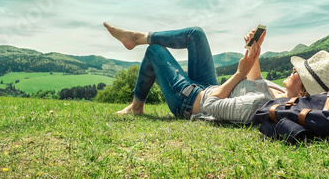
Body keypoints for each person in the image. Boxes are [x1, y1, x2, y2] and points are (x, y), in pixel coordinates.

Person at [103, 23, 289, 123]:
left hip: (190, 100)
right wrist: (254, 50)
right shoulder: (280, 91)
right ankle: (138, 37)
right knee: (196, 34)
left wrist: (240, 74)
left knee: (155, 51)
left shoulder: (267, 104)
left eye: (300, 74)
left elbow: (211, 104)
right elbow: (255, 79)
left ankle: (136, 106)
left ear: (304, 91)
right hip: (210, 86)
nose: (294, 70)